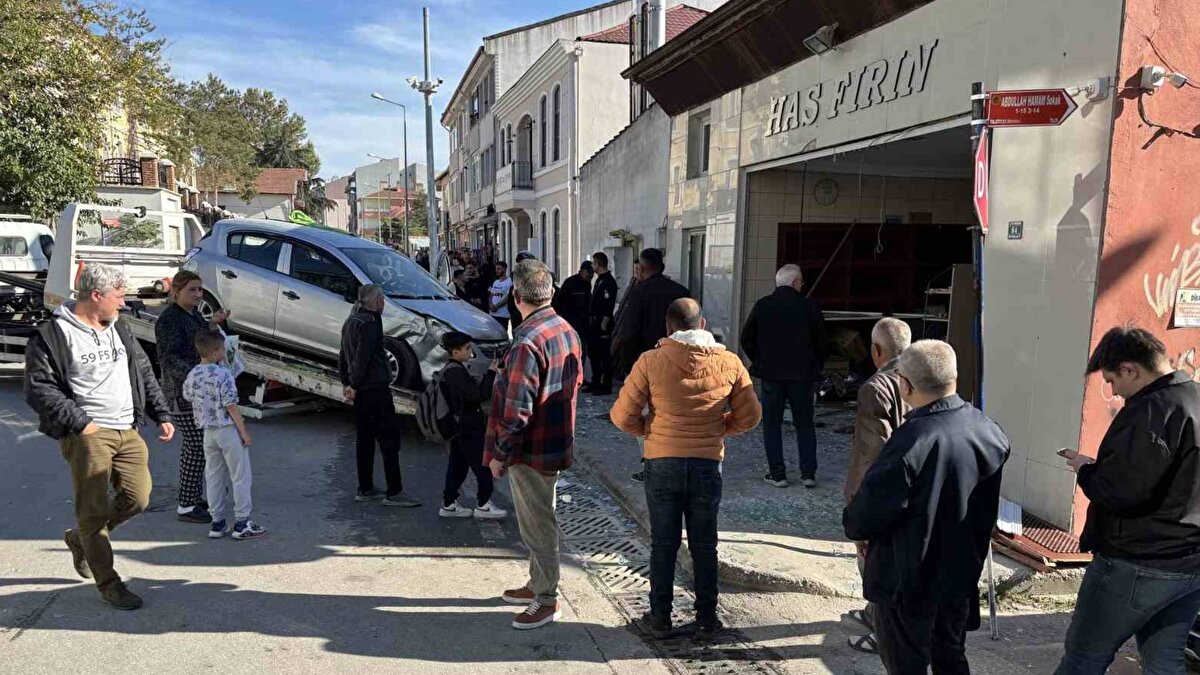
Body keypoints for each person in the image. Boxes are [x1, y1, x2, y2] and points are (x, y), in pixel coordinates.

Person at [844, 340, 1009, 675]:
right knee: (950, 656)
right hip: (959, 575)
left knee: (906, 664)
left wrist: (859, 533)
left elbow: (863, 516)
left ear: (906, 386)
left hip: (907, 581)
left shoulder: (911, 440)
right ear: (954, 377)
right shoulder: (989, 431)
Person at [24, 263, 175, 610]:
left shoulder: (117, 327)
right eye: (119, 297)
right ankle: (108, 582)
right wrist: (80, 423)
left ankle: (80, 540)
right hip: (88, 433)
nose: (123, 303)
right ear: (96, 296)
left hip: (127, 428)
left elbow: (141, 369)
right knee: (92, 512)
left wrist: (160, 412)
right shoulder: (53, 334)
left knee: (138, 498)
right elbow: (38, 388)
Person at [611, 298, 761, 638]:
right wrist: (720, 427)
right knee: (705, 545)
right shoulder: (730, 362)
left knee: (663, 543)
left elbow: (622, 416)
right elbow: (750, 417)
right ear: (703, 326)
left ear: (668, 328)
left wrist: (650, 431)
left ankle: (660, 618)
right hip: (708, 462)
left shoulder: (650, 361)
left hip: (662, 461)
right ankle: (707, 619)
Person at [1056, 327, 1200, 674]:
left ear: (1130, 369)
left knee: (1083, 657)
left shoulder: (1150, 412)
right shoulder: (1193, 398)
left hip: (1137, 561)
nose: (1113, 391)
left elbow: (1121, 493)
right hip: (1189, 562)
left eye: (1111, 380)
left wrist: (1085, 470)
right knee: (1164, 661)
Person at [485, 259, 583, 631]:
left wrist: (499, 454)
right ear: (551, 293)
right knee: (540, 516)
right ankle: (537, 584)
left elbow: (517, 413)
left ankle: (546, 598)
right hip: (556, 441)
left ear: (515, 296)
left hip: (532, 450)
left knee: (537, 523)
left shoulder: (528, 341)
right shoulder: (565, 329)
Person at [842, 318, 912, 655]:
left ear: (876, 351)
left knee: (875, 564)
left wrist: (858, 505)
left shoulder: (876, 388)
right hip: (914, 491)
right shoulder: (924, 378)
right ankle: (875, 615)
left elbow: (872, 455)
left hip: (883, 494)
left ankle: (884, 633)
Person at [740, 264, 828, 488]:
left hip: (771, 375)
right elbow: (822, 342)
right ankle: (808, 474)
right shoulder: (809, 306)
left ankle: (777, 474)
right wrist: (816, 366)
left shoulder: (763, 305)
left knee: (772, 424)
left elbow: (746, 338)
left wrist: (759, 360)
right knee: (805, 424)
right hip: (803, 376)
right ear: (796, 282)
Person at [155, 270, 230, 525]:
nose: (198, 294)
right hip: (181, 392)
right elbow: (169, 358)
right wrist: (197, 376)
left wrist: (213, 324)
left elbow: (202, 342)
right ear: (176, 292)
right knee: (196, 445)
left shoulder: (194, 314)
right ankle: (187, 505)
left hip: (200, 390)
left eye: (200, 289)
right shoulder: (169, 320)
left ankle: (193, 498)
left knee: (201, 445)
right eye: (192, 290)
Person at [339, 284, 420, 507]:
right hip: (374, 388)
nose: (384, 303)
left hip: (362, 391)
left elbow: (344, 355)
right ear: (376, 302)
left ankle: (365, 487)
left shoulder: (351, 321)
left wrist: (347, 382)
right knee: (389, 440)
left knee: (364, 441)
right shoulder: (370, 322)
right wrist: (353, 384)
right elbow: (363, 357)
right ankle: (395, 491)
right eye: (382, 299)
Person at [182, 330, 265, 540]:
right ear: (218, 351)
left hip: (208, 432)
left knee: (214, 477)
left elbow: (187, 395)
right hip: (227, 429)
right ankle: (242, 522)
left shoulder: (193, 374)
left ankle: (217, 522)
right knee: (240, 476)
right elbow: (231, 405)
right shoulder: (223, 374)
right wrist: (244, 432)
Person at [438, 330, 506, 520]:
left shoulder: (453, 369)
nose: (470, 352)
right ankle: (483, 505)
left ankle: (449, 504)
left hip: (460, 427)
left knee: (458, 466)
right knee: (482, 466)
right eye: (467, 348)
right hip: (467, 427)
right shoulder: (454, 372)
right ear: (455, 351)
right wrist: (491, 374)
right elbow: (476, 395)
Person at [612, 249, 690, 378]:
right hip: (677, 359)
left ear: (641, 268)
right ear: (662, 267)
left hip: (645, 359)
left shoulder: (638, 293)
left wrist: (625, 363)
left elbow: (630, 331)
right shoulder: (681, 292)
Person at [586, 252, 619, 395]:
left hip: (602, 324)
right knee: (593, 354)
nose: (592, 267)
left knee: (603, 355)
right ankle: (596, 381)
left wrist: (604, 324)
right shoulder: (599, 280)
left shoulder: (608, 282)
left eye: (593, 264)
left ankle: (605, 385)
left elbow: (608, 305)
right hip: (594, 322)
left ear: (598, 264)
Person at [552, 260, 593, 352]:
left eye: (592, 273)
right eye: (588, 272)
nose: (590, 275)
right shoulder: (570, 282)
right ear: (581, 271)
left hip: (583, 323)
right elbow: (560, 301)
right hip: (570, 321)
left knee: (582, 349)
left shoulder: (587, 284)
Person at [488, 261, 513, 332]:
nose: (497, 271)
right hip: (492, 313)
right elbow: (491, 295)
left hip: (503, 314)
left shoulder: (509, 281)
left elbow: (508, 297)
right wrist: (490, 305)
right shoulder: (496, 282)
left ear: (504, 269)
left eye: (499, 269)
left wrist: (496, 306)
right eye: (496, 269)